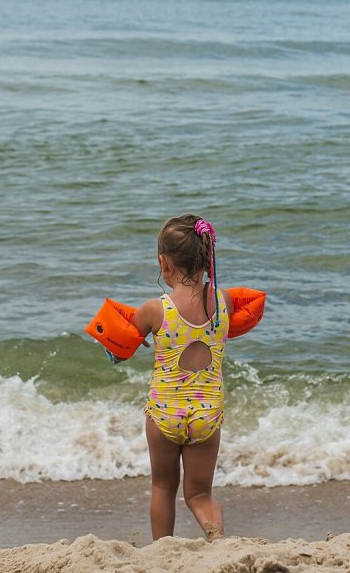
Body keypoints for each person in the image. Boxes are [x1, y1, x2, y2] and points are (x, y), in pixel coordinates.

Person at [131, 214, 228, 541]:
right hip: (207, 415)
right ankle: (216, 538)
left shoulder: (155, 309)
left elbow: (121, 346)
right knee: (199, 493)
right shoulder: (223, 302)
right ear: (207, 257)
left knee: (162, 486)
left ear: (164, 263)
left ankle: (163, 551)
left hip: (165, 415)